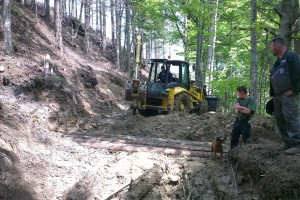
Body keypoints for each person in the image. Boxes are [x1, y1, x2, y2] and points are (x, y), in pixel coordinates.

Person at [269, 37, 300, 155]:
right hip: (278, 97)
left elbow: (298, 73)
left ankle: (297, 144)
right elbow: (273, 78)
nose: (271, 50)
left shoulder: (291, 56)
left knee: (291, 118)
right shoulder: (277, 62)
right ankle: (288, 143)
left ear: (277, 45)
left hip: (288, 95)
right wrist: (272, 94)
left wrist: (294, 89)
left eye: (271, 47)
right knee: (280, 119)